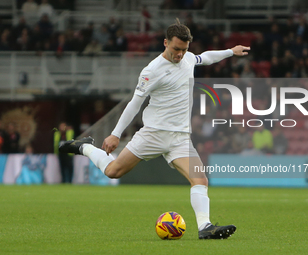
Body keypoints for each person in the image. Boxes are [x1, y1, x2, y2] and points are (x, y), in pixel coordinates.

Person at [60, 19, 250, 239]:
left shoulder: (187, 58)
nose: (180, 54)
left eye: (184, 49)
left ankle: (204, 227)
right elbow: (134, 104)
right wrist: (115, 134)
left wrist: (230, 51)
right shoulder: (152, 71)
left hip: (180, 138)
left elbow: (205, 58)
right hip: (153, 134)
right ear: (165, 43)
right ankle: (85, 148)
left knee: (200, 180)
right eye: (176, 49)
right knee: (113, 172)